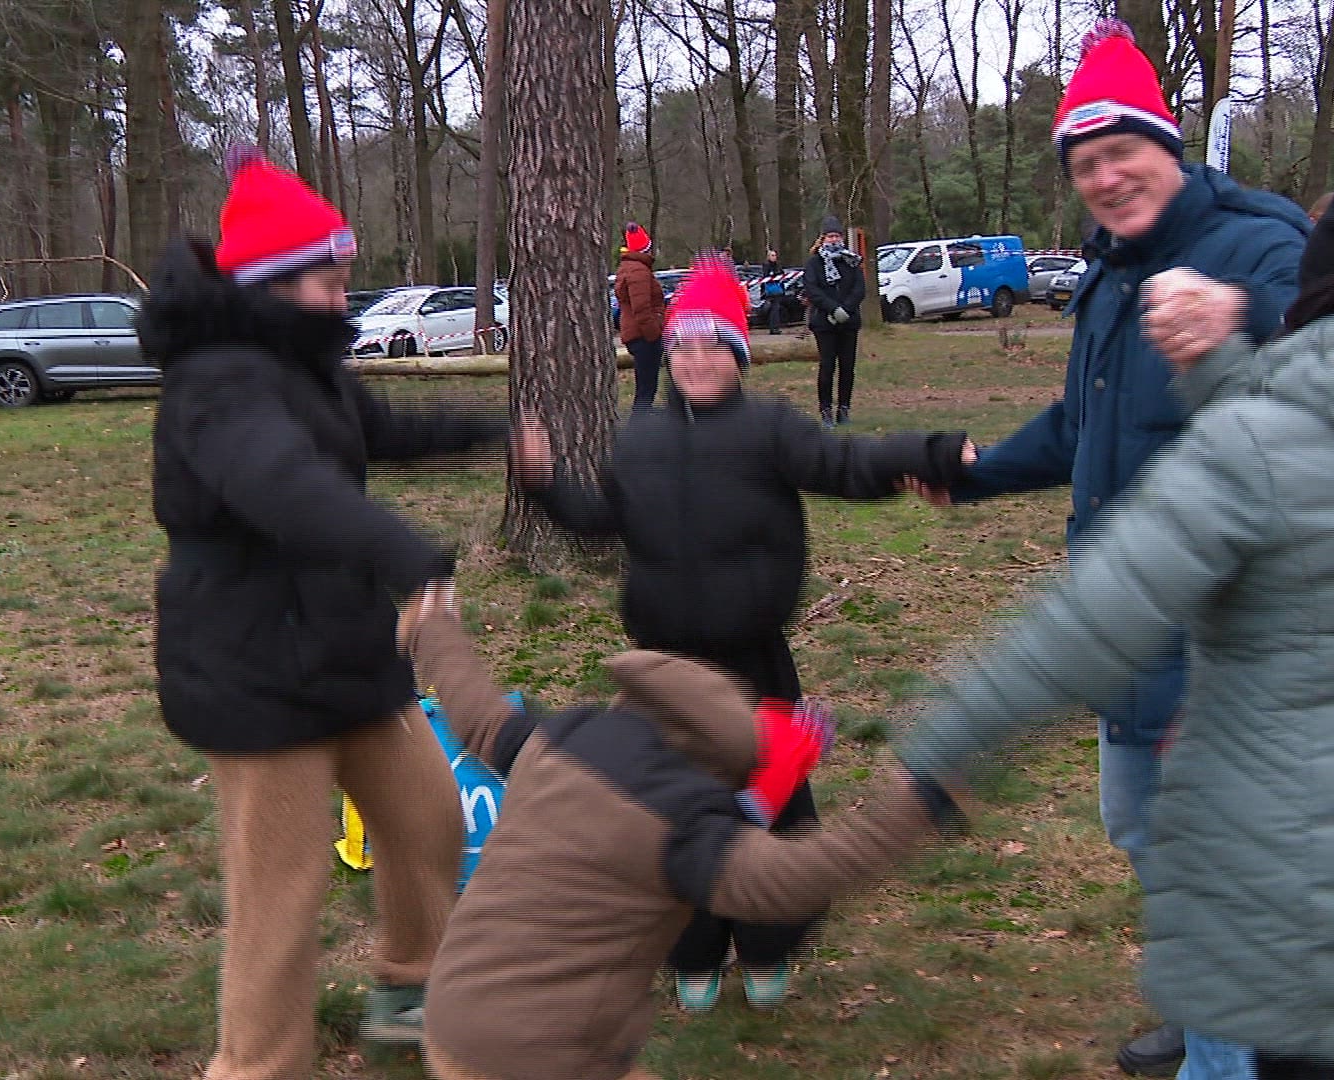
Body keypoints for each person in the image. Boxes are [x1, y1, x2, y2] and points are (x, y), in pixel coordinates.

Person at [898, 154, 1334, 1080]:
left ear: (1315, 292)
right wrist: (1221, 370)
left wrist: (940, 737)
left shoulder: (1260, 446)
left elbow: (1092, 622)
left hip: (1301, 894)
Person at [915, 19, 1308, 1077]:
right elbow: (1085, 428)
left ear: (1167, 146)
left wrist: (1242, 316)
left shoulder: (1257, 240)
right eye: (1085, 164)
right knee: (1143, 829)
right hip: (1130, 627)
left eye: (1121, 152)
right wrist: (975, 471)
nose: (1105, 177)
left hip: (1230, 632)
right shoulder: (1107, 273)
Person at [511, 254, 974, 1015]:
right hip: (662, 676)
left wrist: (927, 455)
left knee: (772, 811)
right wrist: (544, 485)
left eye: (714, 346)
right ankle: (690, 952)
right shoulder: (641, 440)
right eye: (685, 345)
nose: (696, 359)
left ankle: (767, 945)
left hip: (754, 666)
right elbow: (600, 525)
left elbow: (847, 464)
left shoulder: (770, 431)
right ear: (667, 354)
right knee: (669, 813)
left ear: (739, 355)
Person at [139, 145, 510, 1080]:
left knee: (430, 821)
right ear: (272, 282)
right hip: (256, 672)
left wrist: (494, 432)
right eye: (331, 278)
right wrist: (408, 559)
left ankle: (412, 986)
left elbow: (378, 429)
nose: (347, 295)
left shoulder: (303, 365)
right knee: (282, 895)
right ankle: (256, 1065)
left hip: (342, 651)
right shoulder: (219, 382)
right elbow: (283, 484)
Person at [400, 583, 966, 1080]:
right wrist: (916, 806)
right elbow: (793, 880)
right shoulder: (683, 823)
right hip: (551, 1053)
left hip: (454, 1017)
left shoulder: (556, 741)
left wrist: (435, 624)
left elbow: (477, 711)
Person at [804, 216, 865, 426]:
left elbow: (859, 289)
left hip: (849, 321)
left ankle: (844, 409)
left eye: (837, 236)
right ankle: (826, 410)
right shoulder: (814, 263)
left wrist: (845, 309)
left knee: (847, 367)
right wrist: (832, 308)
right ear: (823, 238)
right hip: (824, 322)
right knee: (827, 366)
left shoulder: (851, 261)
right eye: (830, 236)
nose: (834, 240)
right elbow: (812, 288)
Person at [617, 222, 667, 411]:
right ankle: (639, 430)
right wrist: (654, 335)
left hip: (638, 334)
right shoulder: (638, 272)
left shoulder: (630, 268)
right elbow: (641, 308)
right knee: (646, 392)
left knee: (645, 390)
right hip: (644, 337)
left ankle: (641, 427)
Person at [760, 248, 788, 335]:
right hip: (770, 291)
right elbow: (766, 277)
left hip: (778, 290)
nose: (774, 257)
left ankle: (775, 327)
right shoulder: (766, 266)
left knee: (775, 309)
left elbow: (782, 275)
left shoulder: (778, 265)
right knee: (773, 309)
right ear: (768, 257)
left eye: (775, 255)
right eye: (772, 255)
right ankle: (773, 328)